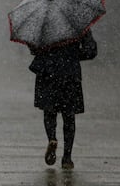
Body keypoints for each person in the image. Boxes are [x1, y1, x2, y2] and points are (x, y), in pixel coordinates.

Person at [28, 30, 97, 169]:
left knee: (49, 111)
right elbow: (91, 51)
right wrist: (72, 55)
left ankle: (52, 138)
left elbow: (34, 48)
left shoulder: (44, 24)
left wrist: (48, 52)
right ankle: (67, 158)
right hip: (70, 73)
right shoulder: (78, 24)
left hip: (48, 72)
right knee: (69, 115)